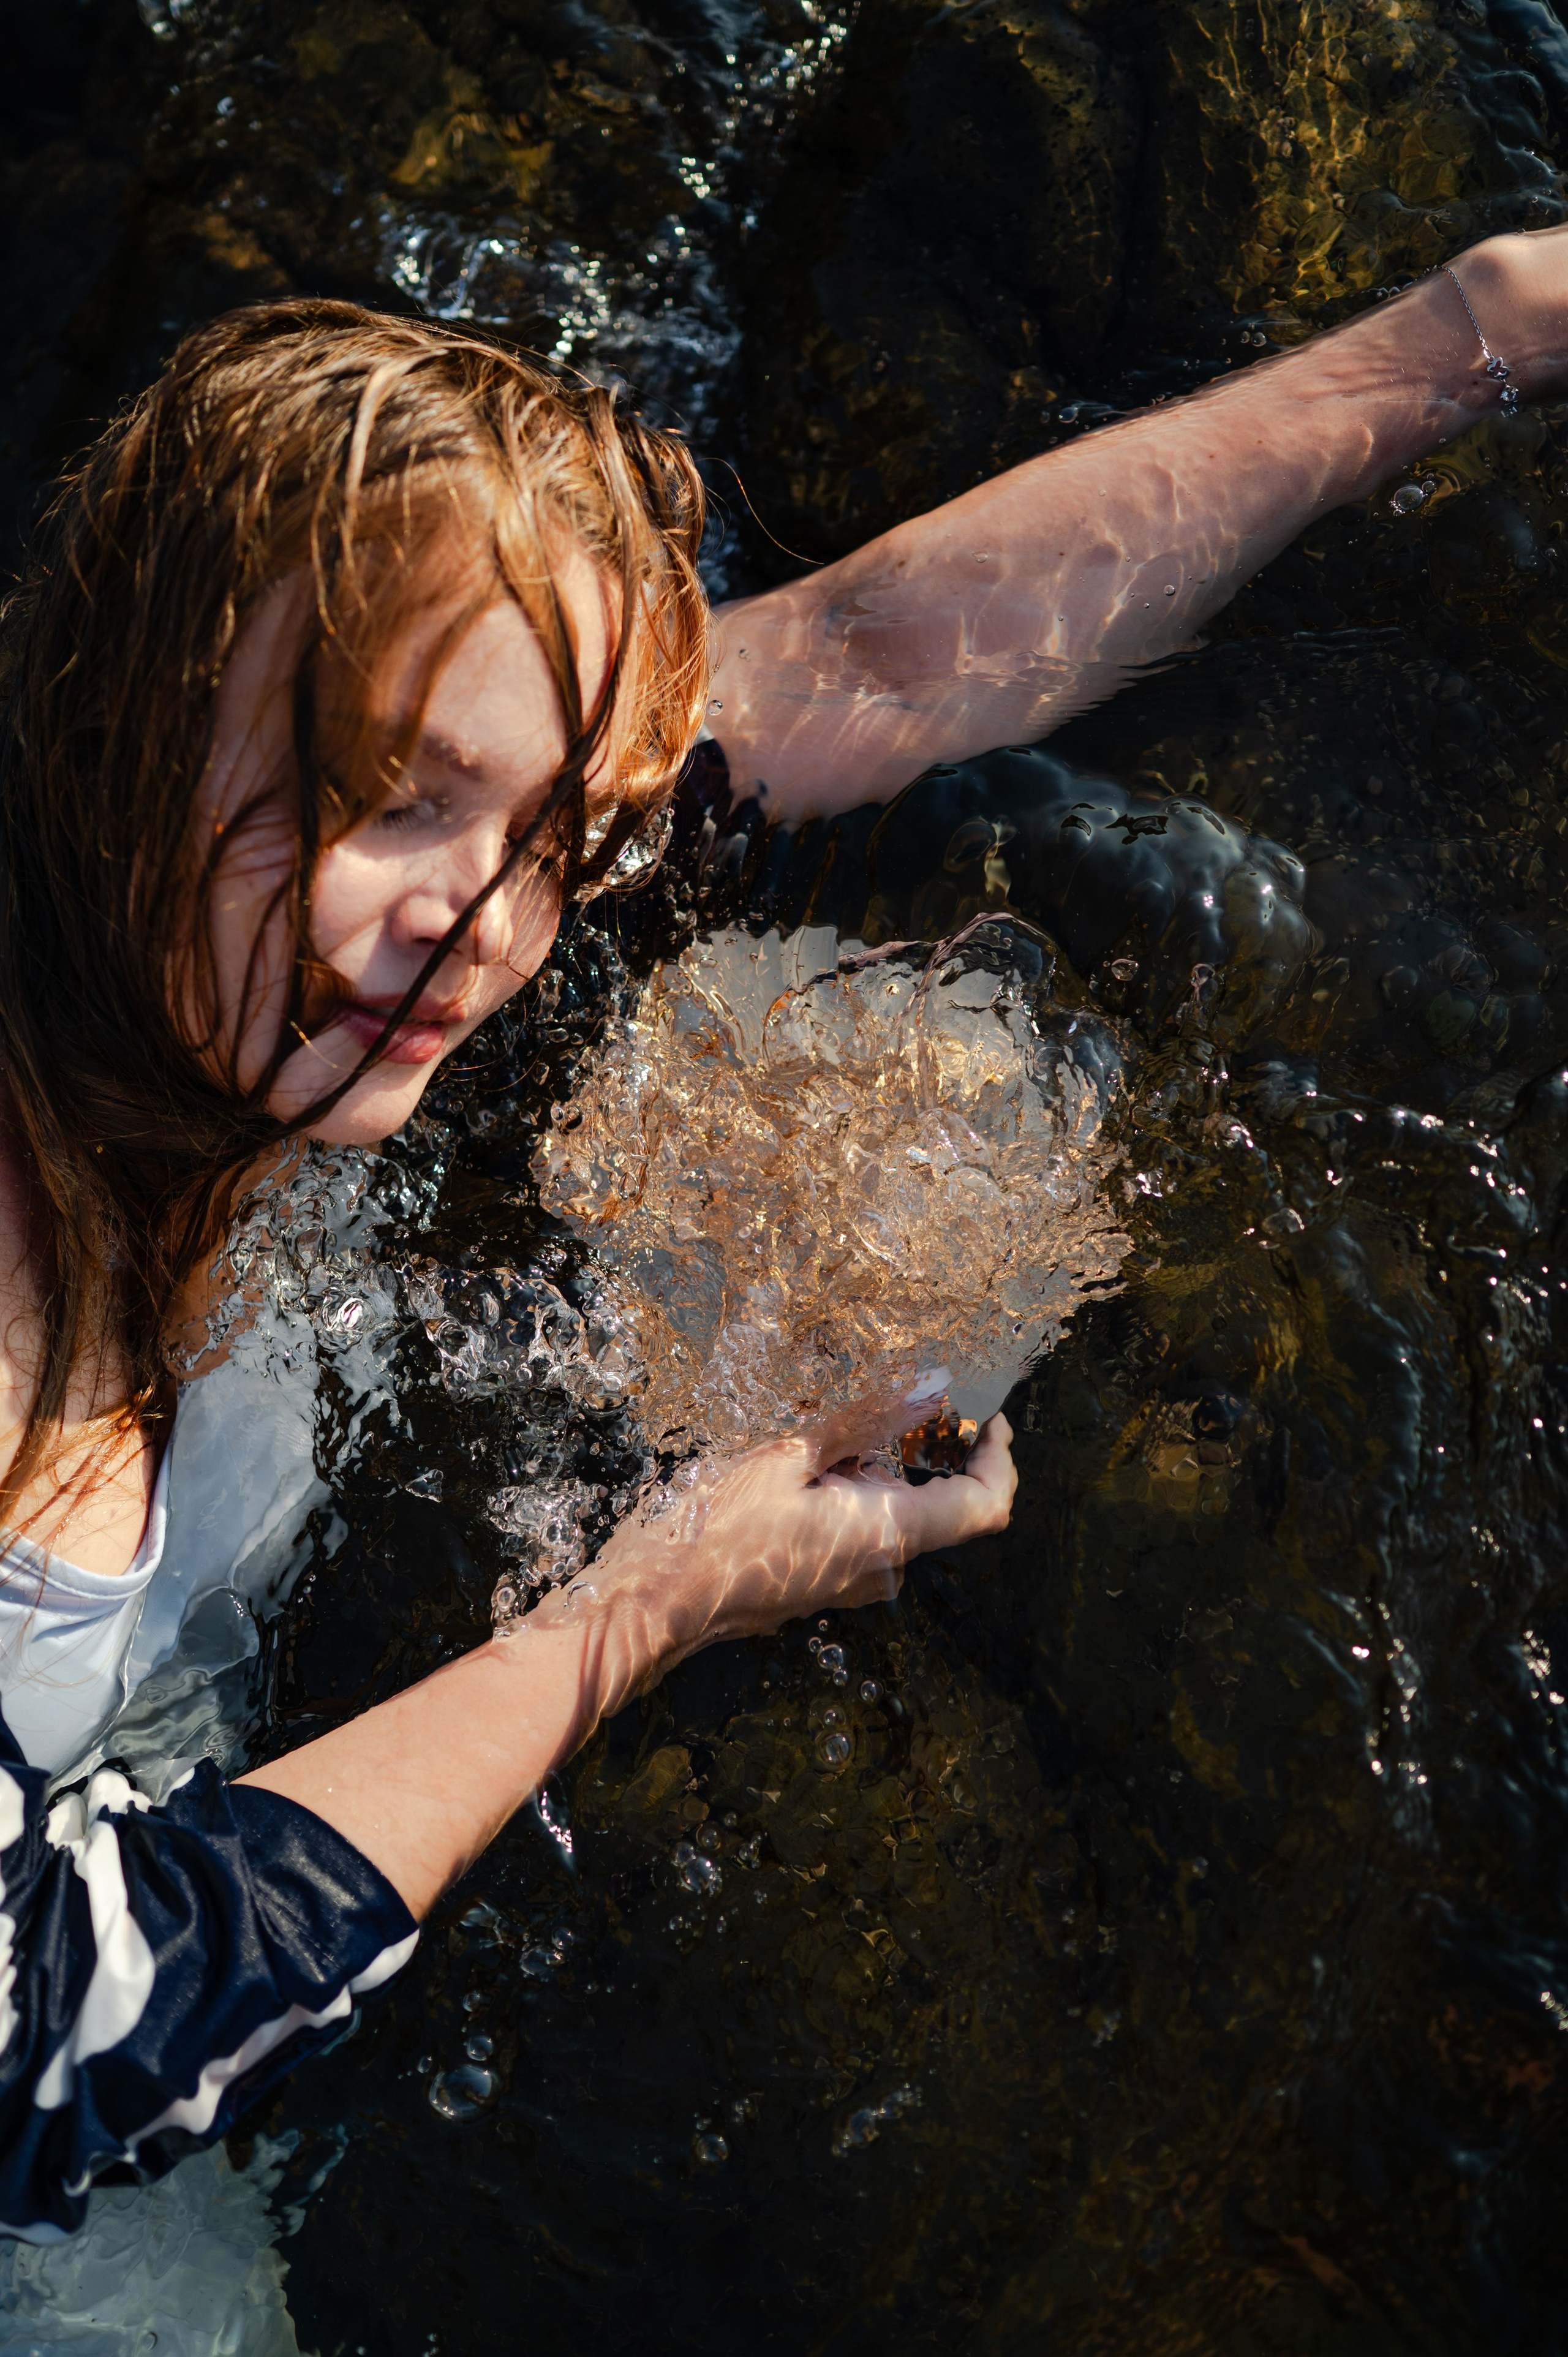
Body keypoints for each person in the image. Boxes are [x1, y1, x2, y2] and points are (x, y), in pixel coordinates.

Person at [0, 224, 1558, 2239]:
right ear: (125, 721)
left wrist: (1471, 340)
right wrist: (662, 1594)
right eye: (394, 795)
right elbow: (47, 2040)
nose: (480, 929)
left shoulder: (249, 966)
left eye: (549, 834)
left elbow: (880, 654)